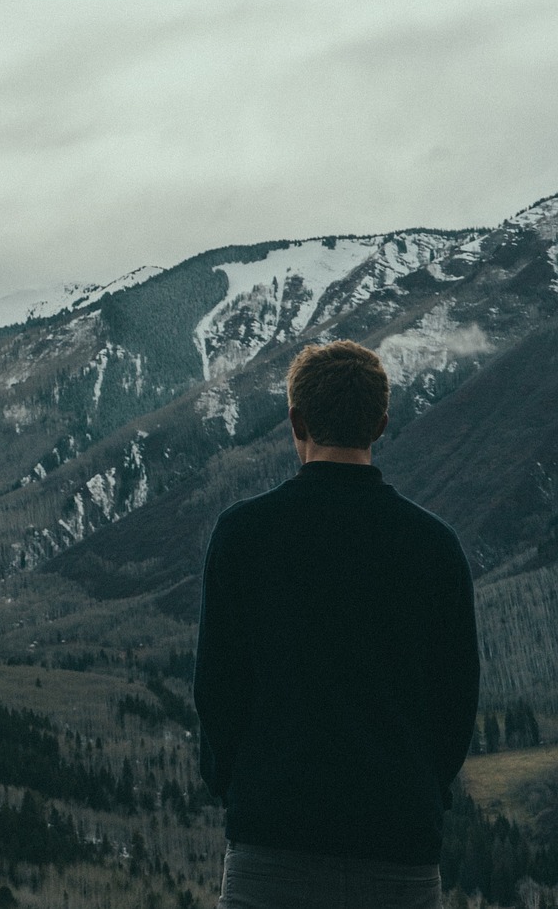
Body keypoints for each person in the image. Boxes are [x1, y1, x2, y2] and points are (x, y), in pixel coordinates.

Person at [192, 339, 480, 909]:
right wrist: (416, 791)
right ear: (381, 422)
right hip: (399, 851)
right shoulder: (434, 547)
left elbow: (217, 694)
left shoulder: (243, 536)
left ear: (296, 420)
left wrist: (246, 792)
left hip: (270, 849)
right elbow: (456, 705)